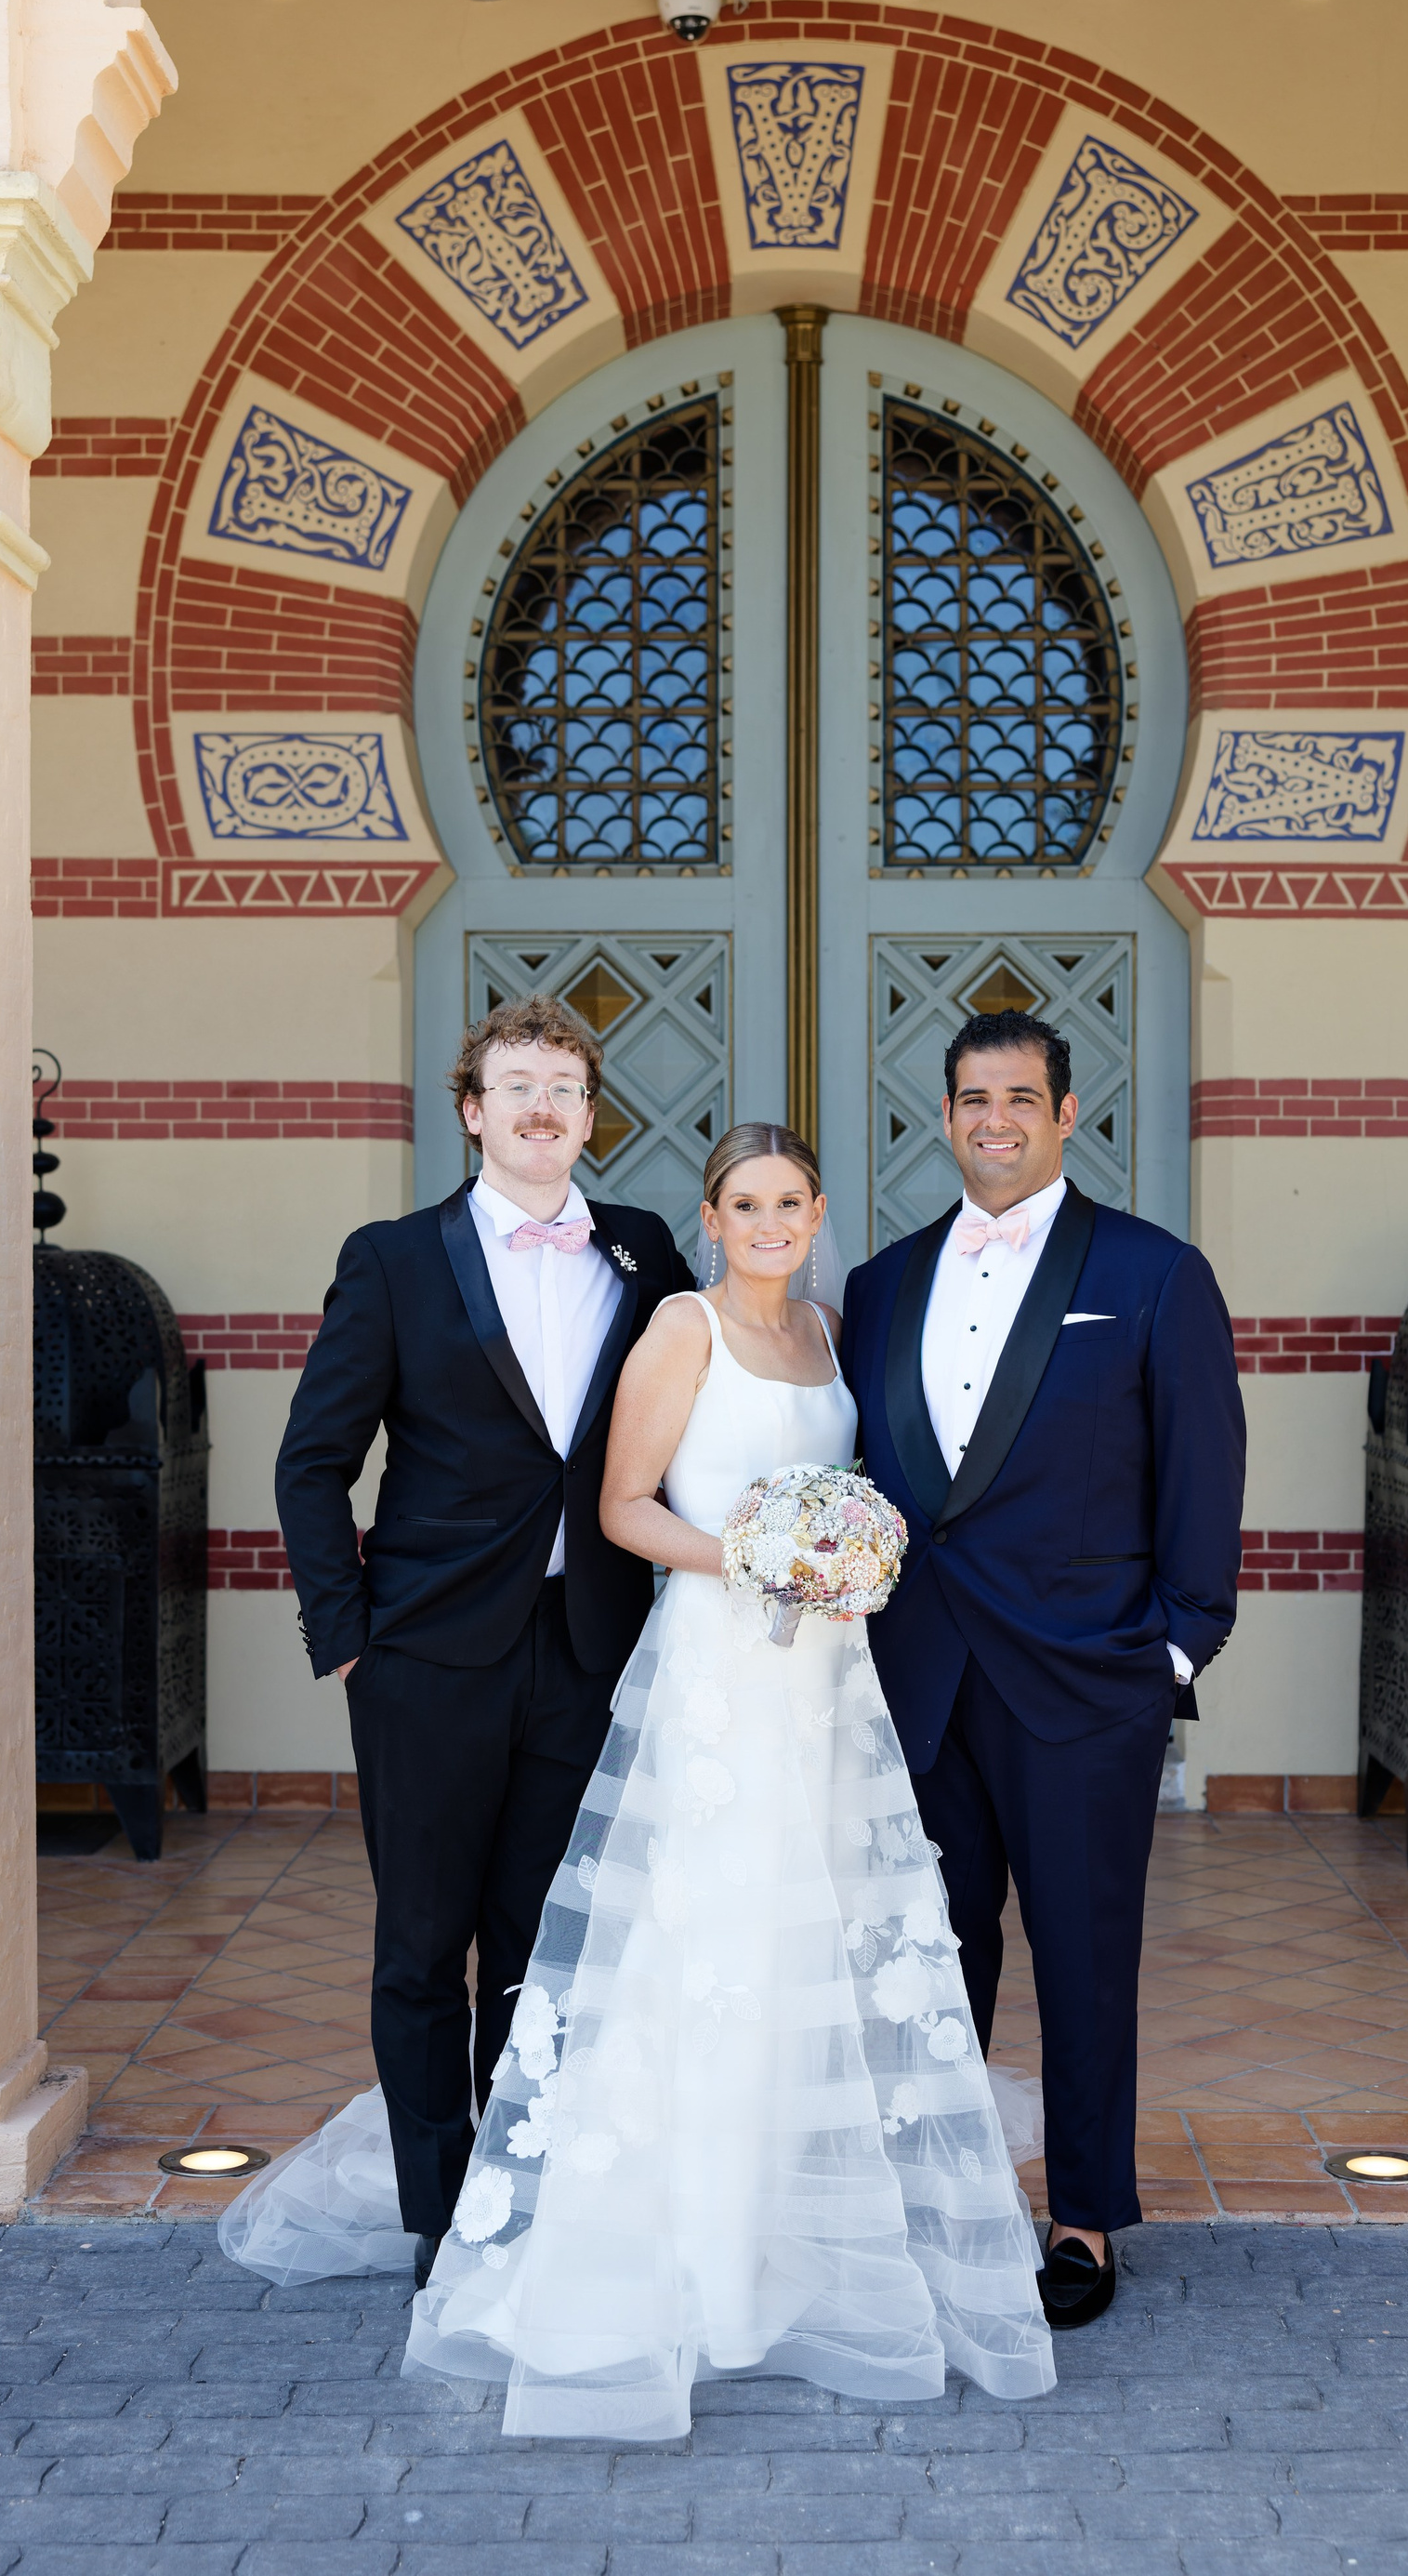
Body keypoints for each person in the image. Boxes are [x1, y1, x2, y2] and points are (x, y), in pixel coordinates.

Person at [226, 1122, 1053, 2439]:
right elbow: (622, 1505)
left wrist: (849, 1557)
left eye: (790, 1202)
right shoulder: (678, 1324)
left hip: (823, 1684)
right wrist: (763, 1561)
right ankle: (676, 2248)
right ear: (709, 1220)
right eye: (745, 1204)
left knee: (807, 1940)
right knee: (694, 1937)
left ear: (817, 1214)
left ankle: (784, 2224)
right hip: (716, 1668)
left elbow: (853, 1482)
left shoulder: (833, 1334)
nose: (770, 1223)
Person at [270, 995, 692, 2283]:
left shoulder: (642, 1250)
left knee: (540, 1944)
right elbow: (312, 1462)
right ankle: (435, 2213)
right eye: (517, 1085)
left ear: (590, 1114)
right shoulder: (395, 1259)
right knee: (421, 1947)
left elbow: (700, 1405)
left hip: (585, 1647)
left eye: (564, 1085)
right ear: (473, 1111)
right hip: (425, 1659)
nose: (541, 1106)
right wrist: (349, 1638)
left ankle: (517, 2201)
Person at [839, 1010, 1245, 2331]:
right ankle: (940, 2202)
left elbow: (1202, 1467)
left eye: (1021, 1097)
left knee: (1082, 1957)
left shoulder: (1153, 1272)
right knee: (929, 1957)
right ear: (946, 1116)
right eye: (974, 1098)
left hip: (1082, 1679)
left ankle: (1083, 2216)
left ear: (1067, 1113)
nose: (996, 1119)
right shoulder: (882, 1284)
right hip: (920, 1676)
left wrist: (1175, 1645)